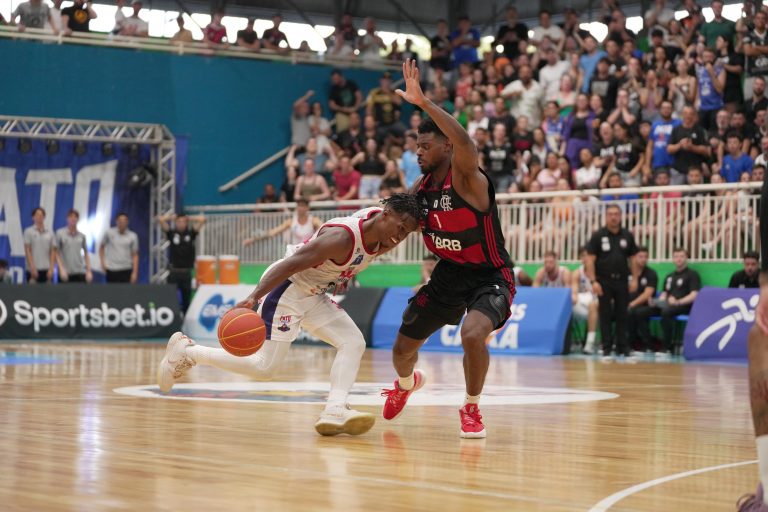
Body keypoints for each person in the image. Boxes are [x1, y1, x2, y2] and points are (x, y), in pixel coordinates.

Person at [157, 195, 421, 436]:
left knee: (353, 342)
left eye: (407, 233)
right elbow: (290, 264)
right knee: (264, 368)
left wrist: (342, 276)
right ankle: (188, 352)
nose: (400, 237)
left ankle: (334, 409)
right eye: (400, 228)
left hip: (314, 294)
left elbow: (407, 200)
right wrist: (254, 297)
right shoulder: (341, 239)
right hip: (288, 290)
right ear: (386, 214)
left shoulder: (382, 226)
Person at [381, 60, 516, 439]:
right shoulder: (420, 190)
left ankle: (471, 407)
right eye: (416, 147)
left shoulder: (467, 178)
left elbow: (467, 143)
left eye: (426, 146)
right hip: (448, 275)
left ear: (446, 146)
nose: (418, 153)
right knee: (401, 350)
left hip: (489, 274)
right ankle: (406, 385)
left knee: (472, 335)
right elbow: (395, 228)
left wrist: (424, 103)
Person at [585, 204, 639, 361]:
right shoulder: (598, 235)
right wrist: (593, 281)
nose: (613, 217)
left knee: (623, 314)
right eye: (610, 214)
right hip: (603, 281)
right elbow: (590, 260)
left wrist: (635, 279)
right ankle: (606, 349)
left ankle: (623, 348)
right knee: (605, 314)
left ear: (621, 216)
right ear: (606, 216)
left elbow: (633, 259)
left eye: (616, 214)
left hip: (622, 280)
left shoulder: (627, 235)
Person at [653, 248, 700, 358]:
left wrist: (678, 302)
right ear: (673, 259)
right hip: (669, 305)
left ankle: (667, 347)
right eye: (676, 256)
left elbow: (694, 295)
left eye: (681, 256)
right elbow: (665, 293)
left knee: (666, 312)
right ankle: (645, 345)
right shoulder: (669, 276)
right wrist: (658, 301)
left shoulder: (692, 274)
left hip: (685, 306)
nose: (679, 259)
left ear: (686, 258)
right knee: (641, 311)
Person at [158, 213, 205, 314]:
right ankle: (171, 319)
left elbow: (202, 219)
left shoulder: (191, 233)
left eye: (184, 222)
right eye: (179, 222)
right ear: (175, 223)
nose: (181, 224)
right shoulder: (171, 233)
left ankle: (185, 319)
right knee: (171, 298)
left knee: (186, 300)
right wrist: (171, 217)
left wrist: (190, 217)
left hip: (186, 272)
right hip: (174, 272)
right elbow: (161, 220)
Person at [243, 199, 322, 248]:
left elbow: (324, 227)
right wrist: (252, 239)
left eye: (303, 206)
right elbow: (272, 232)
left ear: (308, 208)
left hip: (310, 251)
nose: (301, 208)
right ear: (296, 207)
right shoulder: (290, 222)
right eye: (299, 206)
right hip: (295, 252)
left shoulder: (314, 221)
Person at [626, 247, 659, 355]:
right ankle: (616, 343)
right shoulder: (627, 272)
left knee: (636, 312)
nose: (643, 259)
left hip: (647, 305)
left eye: (645, 257)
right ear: (634, 258)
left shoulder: (651, 273)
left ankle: (646, 345)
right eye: (640, 256)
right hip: (629, 304)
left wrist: (632, 304)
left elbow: (647, 294)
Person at [572, 247, 599, 354]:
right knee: (567, 307)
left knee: (593, 305)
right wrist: (574, 296)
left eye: (588, 255)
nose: (586, 258)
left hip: (598, 304)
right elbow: (574, 292)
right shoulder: (577, 272)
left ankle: (589, 343)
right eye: (583, 255)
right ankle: (565, 343)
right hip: (582, 304)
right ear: (580, 258)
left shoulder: (601, 271)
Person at [54, 209, 92, 283]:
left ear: (78, 219)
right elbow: (56, 252)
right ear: (67, 219)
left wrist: (89, 271)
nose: (73, 218)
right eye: (70, 216)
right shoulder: (60, 233)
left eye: (75, 217)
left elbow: (86, 254)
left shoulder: (82, 236)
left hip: (80, 271)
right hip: (65, 273)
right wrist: (61, 269)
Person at [99, 213, 139, 283]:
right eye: (120, 221)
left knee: (125, 290)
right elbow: (101, 248)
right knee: (111, 289)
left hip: (126, 269)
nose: (122, 223)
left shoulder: (133, 236)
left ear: (127, 222)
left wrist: (135, 272)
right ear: (116, 221)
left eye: (124, 221)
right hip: (111, 269)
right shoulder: (109, 233)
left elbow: (135, 255)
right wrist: (102, 263)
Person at [23, 207, 54, 284]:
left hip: (46, 269)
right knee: (32, 291)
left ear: (44, 217)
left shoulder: (50, 232)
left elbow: (53, 251)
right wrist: (32, 267)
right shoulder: (28, 231)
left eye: (41, 215)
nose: (39, 217)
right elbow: (27, 250)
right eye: (37, 215)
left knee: (47, 291)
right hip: (32, 270)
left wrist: (51, 268)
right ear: (33, 217)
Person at [329, 69, 362, 134]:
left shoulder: (351, 84)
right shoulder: (333, 89)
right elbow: (331, 105)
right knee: (342, 128)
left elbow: (359, 97)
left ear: (341, 77)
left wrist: (355, 108)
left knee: (356, 124)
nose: (334, 80)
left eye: (336, 79)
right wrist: (343, 109)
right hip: (341, 113)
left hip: (353, 111)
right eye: (333, 79)